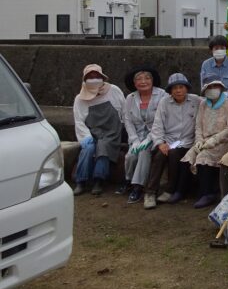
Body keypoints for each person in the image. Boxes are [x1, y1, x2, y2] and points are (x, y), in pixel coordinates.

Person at [145, 73, 200, 209]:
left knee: (175, 154)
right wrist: (160, 142)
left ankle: (170, 190)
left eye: (181, 87)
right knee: (159, 155)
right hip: (168, 140)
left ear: (186, 88)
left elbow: (212, 101)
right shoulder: (164, 102)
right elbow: (157, 125)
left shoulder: (196, 101)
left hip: (187, 141)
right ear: (170, 91)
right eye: (174, 88)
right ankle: (150, 192)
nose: (178, 91)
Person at [72, 64, 126, 196]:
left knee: (103, 146)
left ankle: (99, 180)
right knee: (88, 149)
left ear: (102, 77)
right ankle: (81, 181)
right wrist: (86, 137)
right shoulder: (80, 99)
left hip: (111, 132)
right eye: (90, 76)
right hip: (92, 132)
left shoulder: (113, 90)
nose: (93, 78)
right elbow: (79, 121)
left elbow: (124, 112)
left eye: (96, 75)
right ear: (84, 79)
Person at [182, 78, 228, 208]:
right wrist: (199, 140)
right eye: (210, 87)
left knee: (203, 156)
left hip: (224, 141)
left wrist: (214, 140)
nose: (213, 90)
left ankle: (208, 193)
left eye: (216, 86)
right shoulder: (203, 105)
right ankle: (183, 191)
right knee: (190, 155)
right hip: (205, 140)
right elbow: (198, 126)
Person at [122, 66, 165, 204]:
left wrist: (149, 139)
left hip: (156, 135)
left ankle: (138, 187)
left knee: (144, 152)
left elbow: (161, 120)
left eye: (147, 78)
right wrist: (134, 140)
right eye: (139, 79)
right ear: (134, 83)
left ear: (152, 81)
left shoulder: (162, 95)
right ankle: (128, 180)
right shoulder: (130, 98)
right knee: (130, 155)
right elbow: (127, 121)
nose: (143, 81)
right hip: (137, 135)